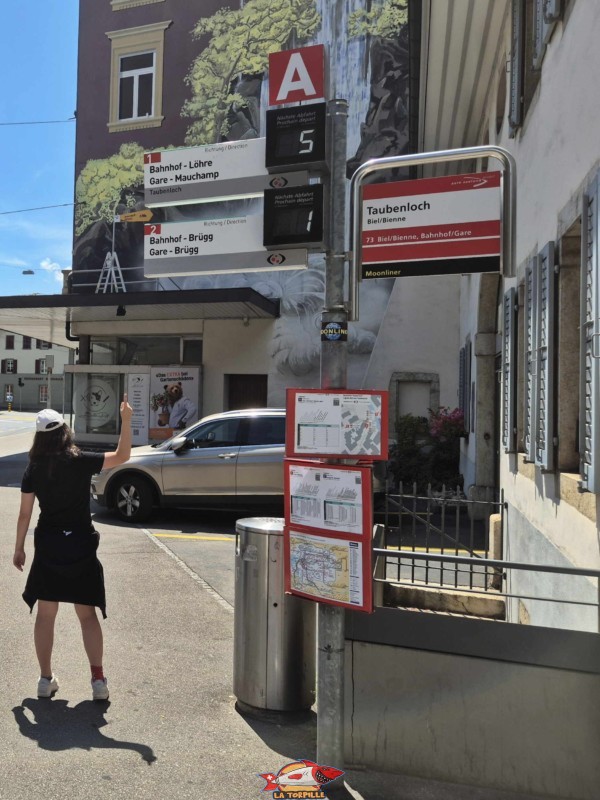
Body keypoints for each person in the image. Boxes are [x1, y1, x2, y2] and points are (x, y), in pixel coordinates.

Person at [13, 395, 133, 701]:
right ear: (65, 431)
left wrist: (19, 549)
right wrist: (127, 420)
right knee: (87, 614)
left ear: (39, 437)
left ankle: (44, 680)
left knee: (45, 614)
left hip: (49, 545)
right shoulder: (81, 460)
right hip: (80, 543)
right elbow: (122, 456)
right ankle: (98, 681)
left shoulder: (34, 468)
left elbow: (25, 513)